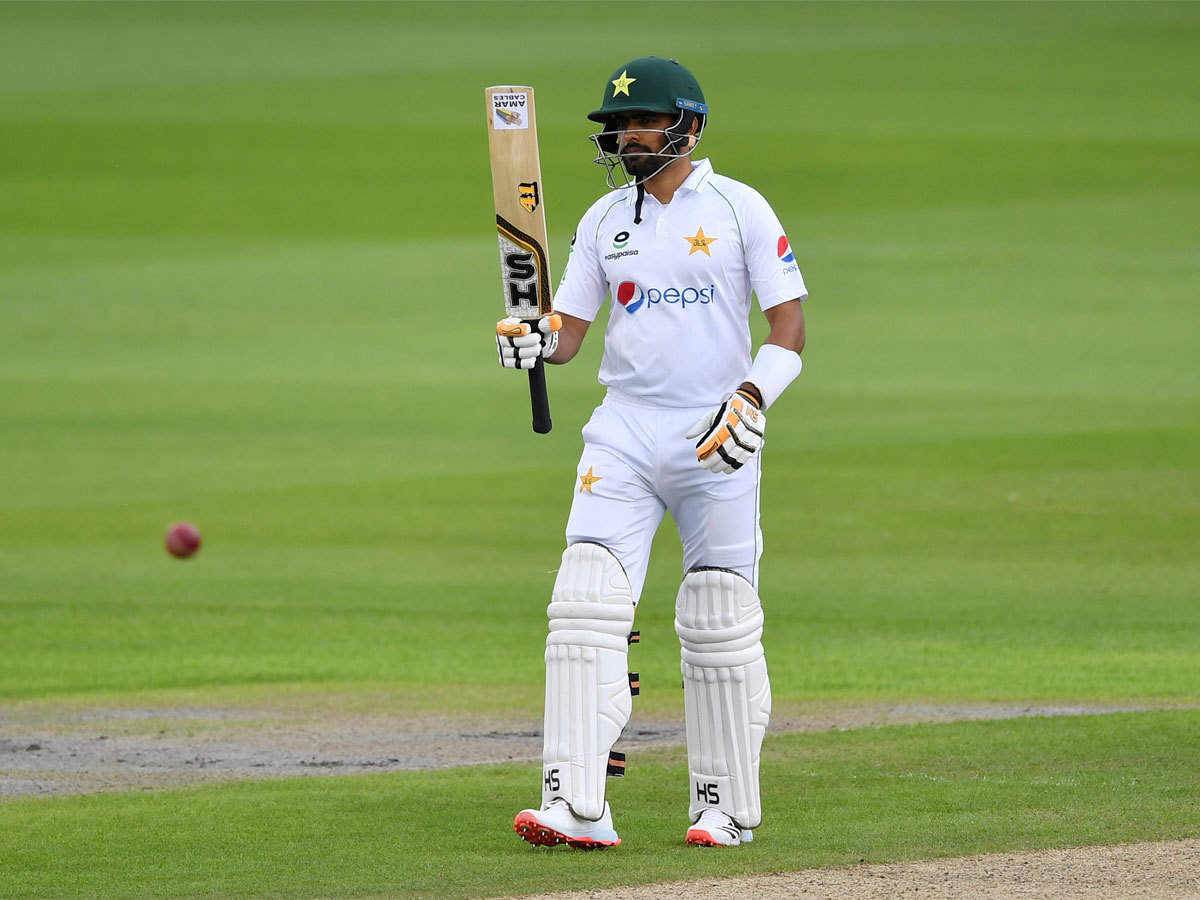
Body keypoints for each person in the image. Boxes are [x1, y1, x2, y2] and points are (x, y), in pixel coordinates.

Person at [496, 56, 807, 849]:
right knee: (583, 601)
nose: (626, 136)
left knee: (717, 615)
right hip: (624, 432)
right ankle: (575, 803)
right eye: (616, 125)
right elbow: (567, 336)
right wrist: (533, 338)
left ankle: (725, 807)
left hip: (717, 433)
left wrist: (752, 397)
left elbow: (788, 332)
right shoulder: (603, 220)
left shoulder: (740, 208)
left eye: (641, 122)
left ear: (689, 127)